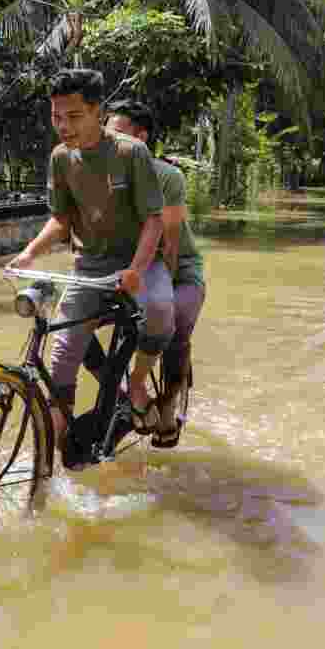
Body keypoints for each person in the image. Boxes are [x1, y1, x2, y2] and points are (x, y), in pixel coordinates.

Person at [5, 69, 174, 467]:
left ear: (98, 112)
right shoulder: (61, 159)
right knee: (61, 355)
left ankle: (135, 386)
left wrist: (136, 269)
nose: (64, 126)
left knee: (163, 306)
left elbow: (154, 221)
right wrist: (29, 253)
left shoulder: (132, 153)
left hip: (137, 263)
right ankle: (48, 462)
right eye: (56, 117)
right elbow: (61, 220)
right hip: (89, 267)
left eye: (74, 116)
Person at [92, 99, 205, 447]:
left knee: (171, 325)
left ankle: (169, 403)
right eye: (106, 133)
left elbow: (169, 249)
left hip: (176, 271)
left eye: (117, 133)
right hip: (126, 269)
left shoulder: (167, 176)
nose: (109, 140)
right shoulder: (97, 174)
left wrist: (156, 294)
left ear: (141, 138)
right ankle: (125, 389)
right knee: (72, 321)